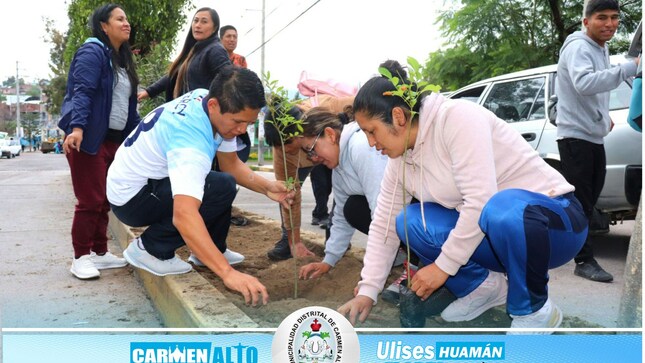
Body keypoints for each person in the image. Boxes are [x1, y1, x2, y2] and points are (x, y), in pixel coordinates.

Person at [338, 61, 589, 332]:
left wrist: (442, 268)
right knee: (408, 222)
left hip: (556, 224)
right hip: (496, 235)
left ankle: (535, 311)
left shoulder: (458, 118)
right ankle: (483, 287)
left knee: (500, 206)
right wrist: (368, 290)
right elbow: (383, 225)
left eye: (371, 131)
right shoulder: (400, 160)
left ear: (398, 117)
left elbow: (480, 201)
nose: (372, 144)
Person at [107, 66, 290, 306]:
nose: (242, 130)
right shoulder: (191, 140)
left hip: (144, 183)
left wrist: (267, 187)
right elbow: (184, 215)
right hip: (132, 198)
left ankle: (210, 250)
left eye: (248, 123)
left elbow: (231, 165)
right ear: (214, 106)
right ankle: (150, 249)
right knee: (213, 189)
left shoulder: (207, 99)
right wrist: (227, 273)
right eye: (237, 122)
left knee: (223, 183)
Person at [555, 0, 639, 283]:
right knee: (581, 203)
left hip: (591, 136)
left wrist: (603, 117)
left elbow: (590, 93)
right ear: (585, 21)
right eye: (602, 17)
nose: (610, 24)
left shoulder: (599, 48)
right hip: (575, 139)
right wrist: (631, 67)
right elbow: (584, 83)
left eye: (614, 17)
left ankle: (569, 248)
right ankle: (583, 260)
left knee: (588, 202)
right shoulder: (579, 46)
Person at [58, 4, 140, 280]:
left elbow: (126, 107)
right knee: (90, 200)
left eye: (126, 19)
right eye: (119, 19)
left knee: (105, 200)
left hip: (113, 140)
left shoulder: (121, 59)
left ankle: (100, 252)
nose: (126, 23)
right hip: (89, 139)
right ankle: (80, 257)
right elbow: (83, 91)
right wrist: (77, 127)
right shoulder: (92, 52)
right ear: (103, 26)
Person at [296, 108, 388, 279]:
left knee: (365, 209)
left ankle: (413, 261)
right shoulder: (338, 166)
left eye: (312, 150)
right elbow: (340, 217)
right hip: (392, 218)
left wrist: (372, 276)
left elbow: (383, 211)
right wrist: (328, 261)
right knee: (350, 208)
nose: (313, 159)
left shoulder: (361, 147)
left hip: (416, 213)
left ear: (330, 134)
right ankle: (398, 251)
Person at [264, 95, 354, 261]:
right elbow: (290, 195)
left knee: (342, 196)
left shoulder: (330, 110)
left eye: (286, 145)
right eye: (278, 147)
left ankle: (335, 239)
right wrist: (295, 241)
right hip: (310, 159)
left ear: (298, 134)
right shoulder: (283, 153)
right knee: (288, 196)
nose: (284, 151)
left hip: (337, 154)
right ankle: (288, 239)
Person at [137, 7, 230, 103]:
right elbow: (174, 74)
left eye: (204, 22)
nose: (198, 25)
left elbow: (228, 83)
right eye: (196, 21)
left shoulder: (216, 50)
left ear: (214, 28)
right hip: (185, 109)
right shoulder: (194, 50)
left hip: (200, 112)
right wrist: (148, 92)